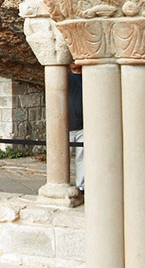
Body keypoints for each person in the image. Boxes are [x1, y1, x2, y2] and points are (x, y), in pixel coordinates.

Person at [69, 64, 84, 193]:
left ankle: (81, 186)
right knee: (63, 157)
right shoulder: (65, 78)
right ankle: (62, 184)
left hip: (83, 126)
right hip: (66, 126)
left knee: (82, 157)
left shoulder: (88, 77)